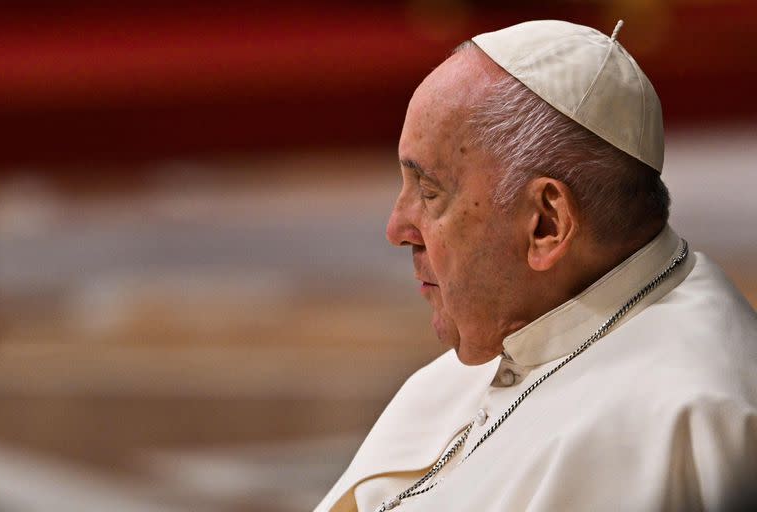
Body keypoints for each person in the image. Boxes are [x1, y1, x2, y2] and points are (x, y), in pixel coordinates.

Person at [314, 20, 757, 512]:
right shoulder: (519, 334)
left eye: (429, 191)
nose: (396, 228)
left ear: (546, 224)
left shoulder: (682, 424)